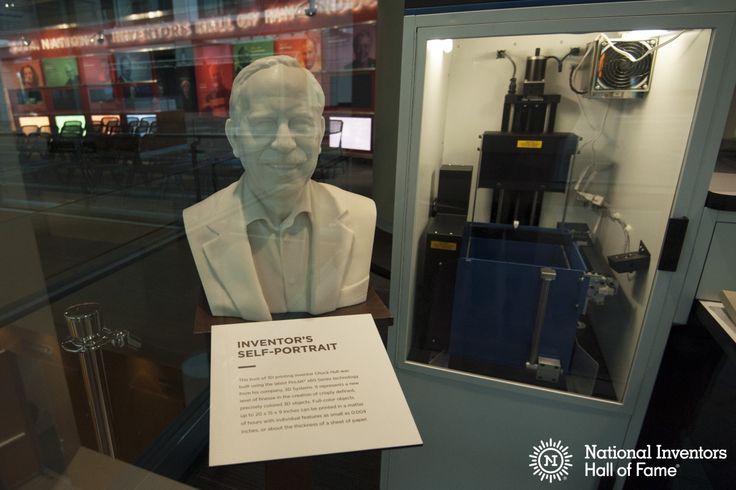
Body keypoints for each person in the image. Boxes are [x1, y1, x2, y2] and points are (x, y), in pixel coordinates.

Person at [183, 56, 376, 321]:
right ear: (235, 137)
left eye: (300, 124)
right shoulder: (201, 221)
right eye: (263, 125)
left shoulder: (361, 213)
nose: (284, 143)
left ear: (320, 133)